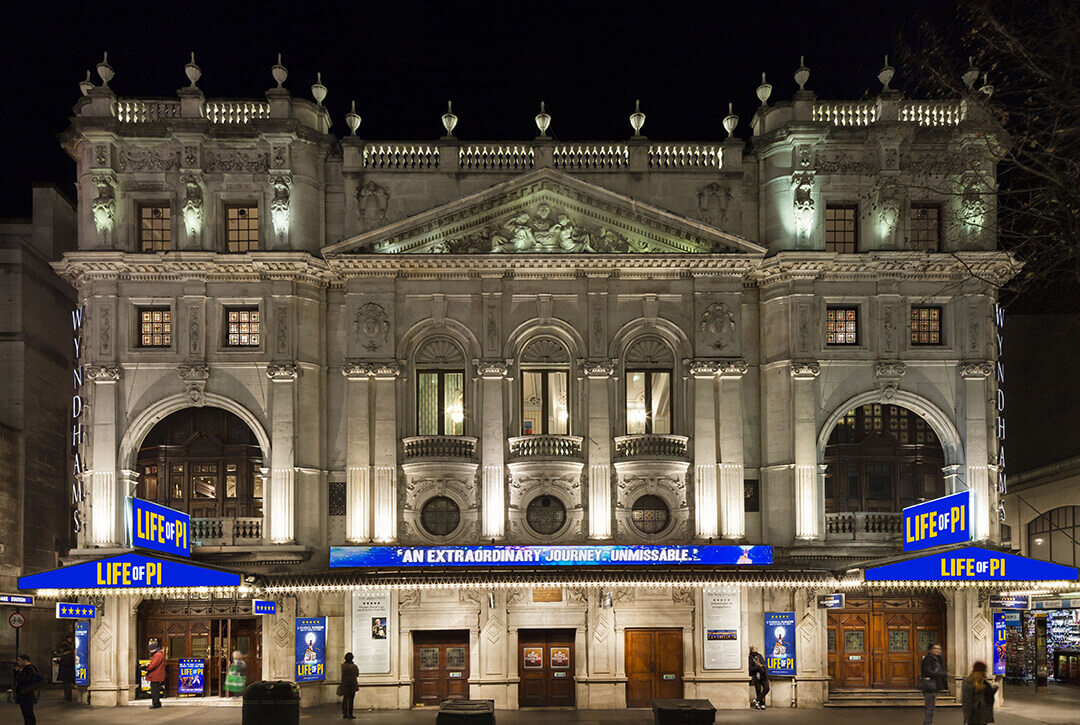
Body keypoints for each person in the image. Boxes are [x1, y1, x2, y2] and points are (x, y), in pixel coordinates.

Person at [918, 643, 949, 725]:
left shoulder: (937, 659)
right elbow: (927, 671)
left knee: (931, 708)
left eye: (939, 649)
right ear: (930, 650)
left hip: (934, 685)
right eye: (935, 648)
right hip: (929, 686)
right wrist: (942, 674)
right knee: (929, 708)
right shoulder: (928, 659)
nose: (938, 650)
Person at [961, 661, 998, 725]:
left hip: (982, 715)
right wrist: (967, 717)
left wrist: (994, 689)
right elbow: (967, 701)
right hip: (974, 715)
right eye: (984, 671)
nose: (985, 673)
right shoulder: (969, 682)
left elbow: (987, 696)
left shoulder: (983, 682)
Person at [14, 654, 45, 725]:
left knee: (28, 713)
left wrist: (26, 690)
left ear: (25, 661)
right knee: (26, 714)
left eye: (19, 660)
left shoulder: (29, 669)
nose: (18, 662)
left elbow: (25, 681)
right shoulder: (24, 669)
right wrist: (16, 672)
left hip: (27, 696)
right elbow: (17, 680)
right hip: (24, 695)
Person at [748, 645, 770, 710]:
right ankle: (761, 704)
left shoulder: (759, 656)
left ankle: (757, 700)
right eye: (754, 651)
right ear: (751, 651)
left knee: (767, 688)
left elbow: (764, 663)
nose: (756, 653)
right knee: (758, 691)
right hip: (756, 676)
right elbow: (750, 669)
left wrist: (764, 668)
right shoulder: (750, 658)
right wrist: (758, 667)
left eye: (756, 651)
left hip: (763, 675)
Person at [146, 640, 166, 708]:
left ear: (153, 649)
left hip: (155, 676)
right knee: (155, 690)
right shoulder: (159, 654)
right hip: (156, 675)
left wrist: (147, 668)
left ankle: (156, 703)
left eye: (150, 650)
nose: (150, 652)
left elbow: (153, 665)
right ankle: (157, 703)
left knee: (154, 690)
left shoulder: (157, 655)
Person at [56, 634, 76, 702]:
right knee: (67, 684)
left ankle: (68, 697)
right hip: (67, 671)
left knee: (67, 685)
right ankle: (67, 696)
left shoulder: (67, 655)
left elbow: (65, 663)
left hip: (66, 671)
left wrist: (58, 662)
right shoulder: (69, 654)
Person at [339, 652, 359, 719]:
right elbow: (357, 674)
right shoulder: (354, 666)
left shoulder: (343, 666)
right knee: (351, 700)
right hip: (352, 685)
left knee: (345, 699)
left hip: (345, 684)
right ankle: (350, 714)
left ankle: (344, 713)